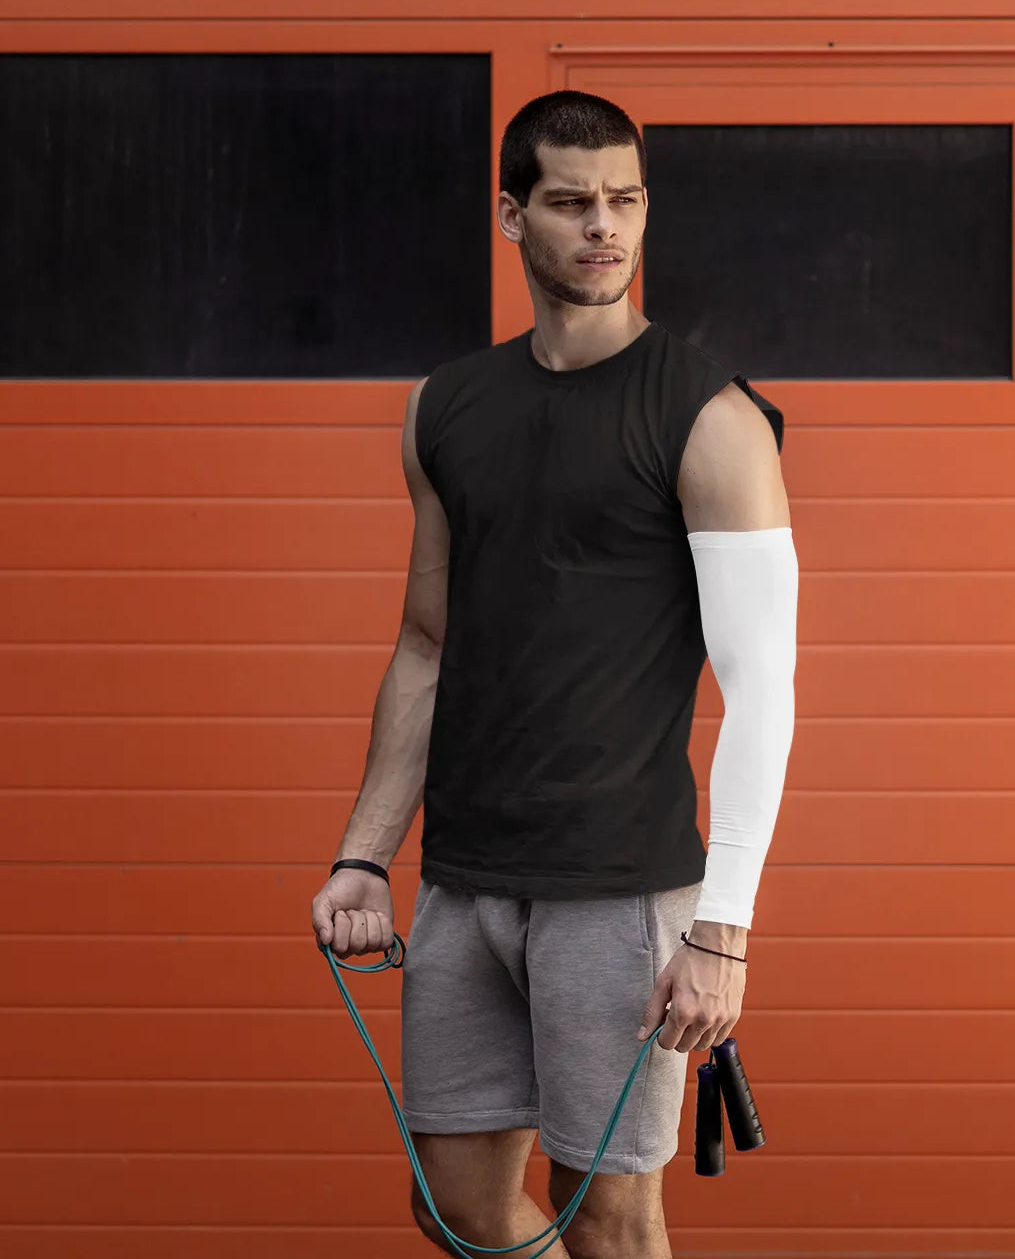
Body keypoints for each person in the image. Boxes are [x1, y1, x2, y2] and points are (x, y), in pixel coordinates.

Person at [310, 91, 798, 1259]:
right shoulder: (448, 408)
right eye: (571, 203)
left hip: (620, 893)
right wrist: (366, 853)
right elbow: (428, 642)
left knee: (615, 1220)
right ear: (510, 215)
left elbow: (763, 685)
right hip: (465, 880)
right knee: (455, 1210)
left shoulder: (710, 418)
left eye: (624, 202)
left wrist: (722, 929)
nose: (603, 229)